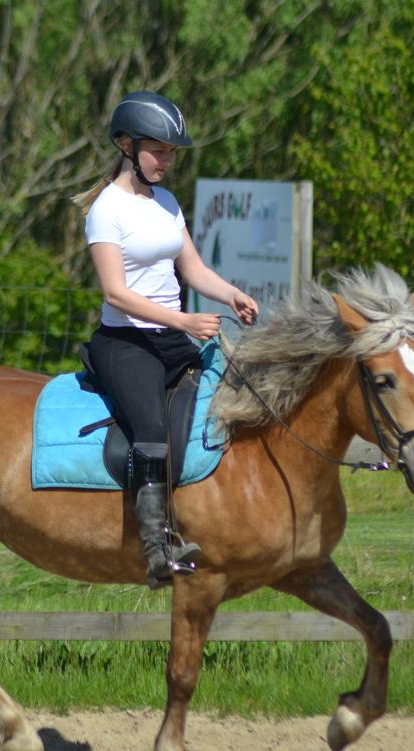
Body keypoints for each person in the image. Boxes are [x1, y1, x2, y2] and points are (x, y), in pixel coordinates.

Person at [72, 90, 259, 588]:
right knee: (152, 429)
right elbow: (117, 293)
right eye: (160, 150)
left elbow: (192, 268)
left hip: (174, 338)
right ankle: (156, 550)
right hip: (126, 344)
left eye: (173, 152)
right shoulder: (106, 210)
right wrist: (183, 323)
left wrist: (231, 294)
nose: (168, 161)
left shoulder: (167, 203)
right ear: (127, 146)